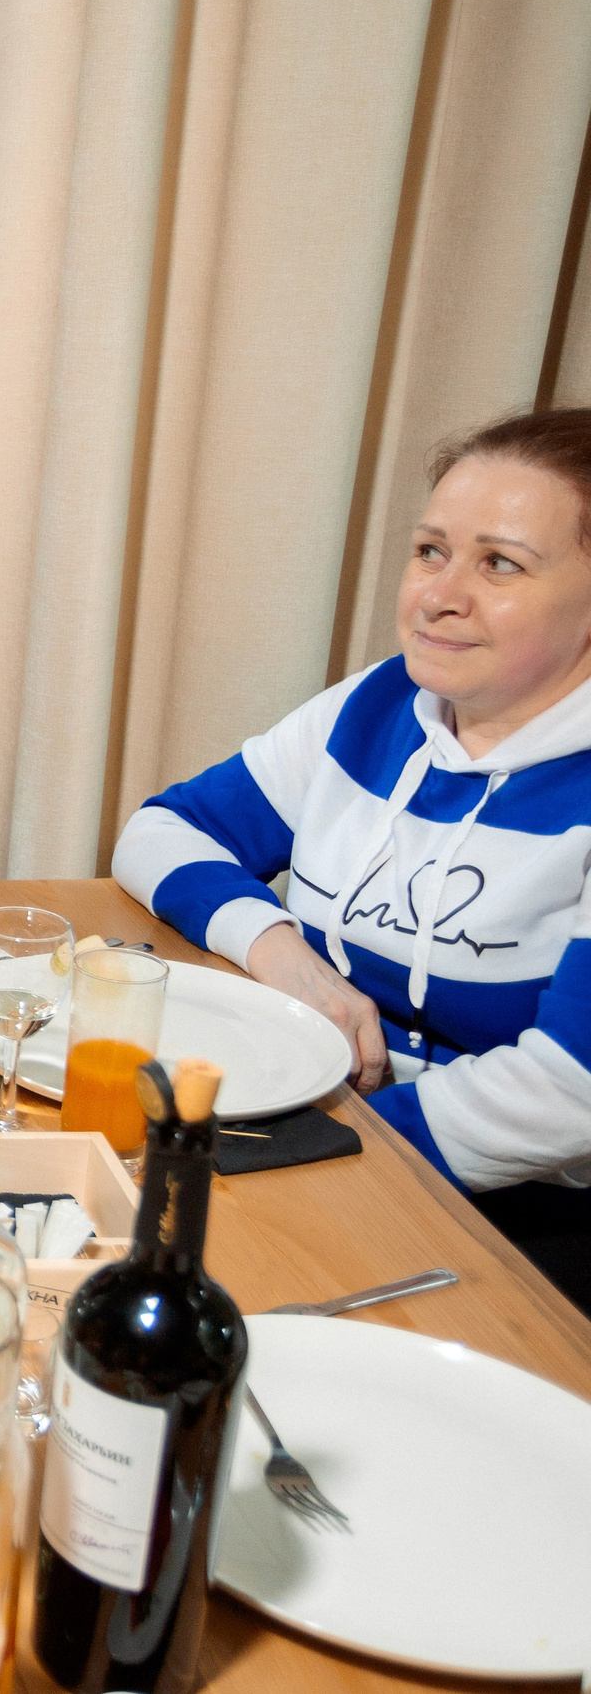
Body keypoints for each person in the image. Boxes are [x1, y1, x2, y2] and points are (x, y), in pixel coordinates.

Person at [115, 406, 591, 1306]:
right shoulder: (379, 703)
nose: (440, 594)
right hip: (325, 1126)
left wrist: (329, 1145)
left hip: (518, 1215)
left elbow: (568, 1093)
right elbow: (160, 830)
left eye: (500, 563)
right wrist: (279, 950)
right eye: (429, 551)